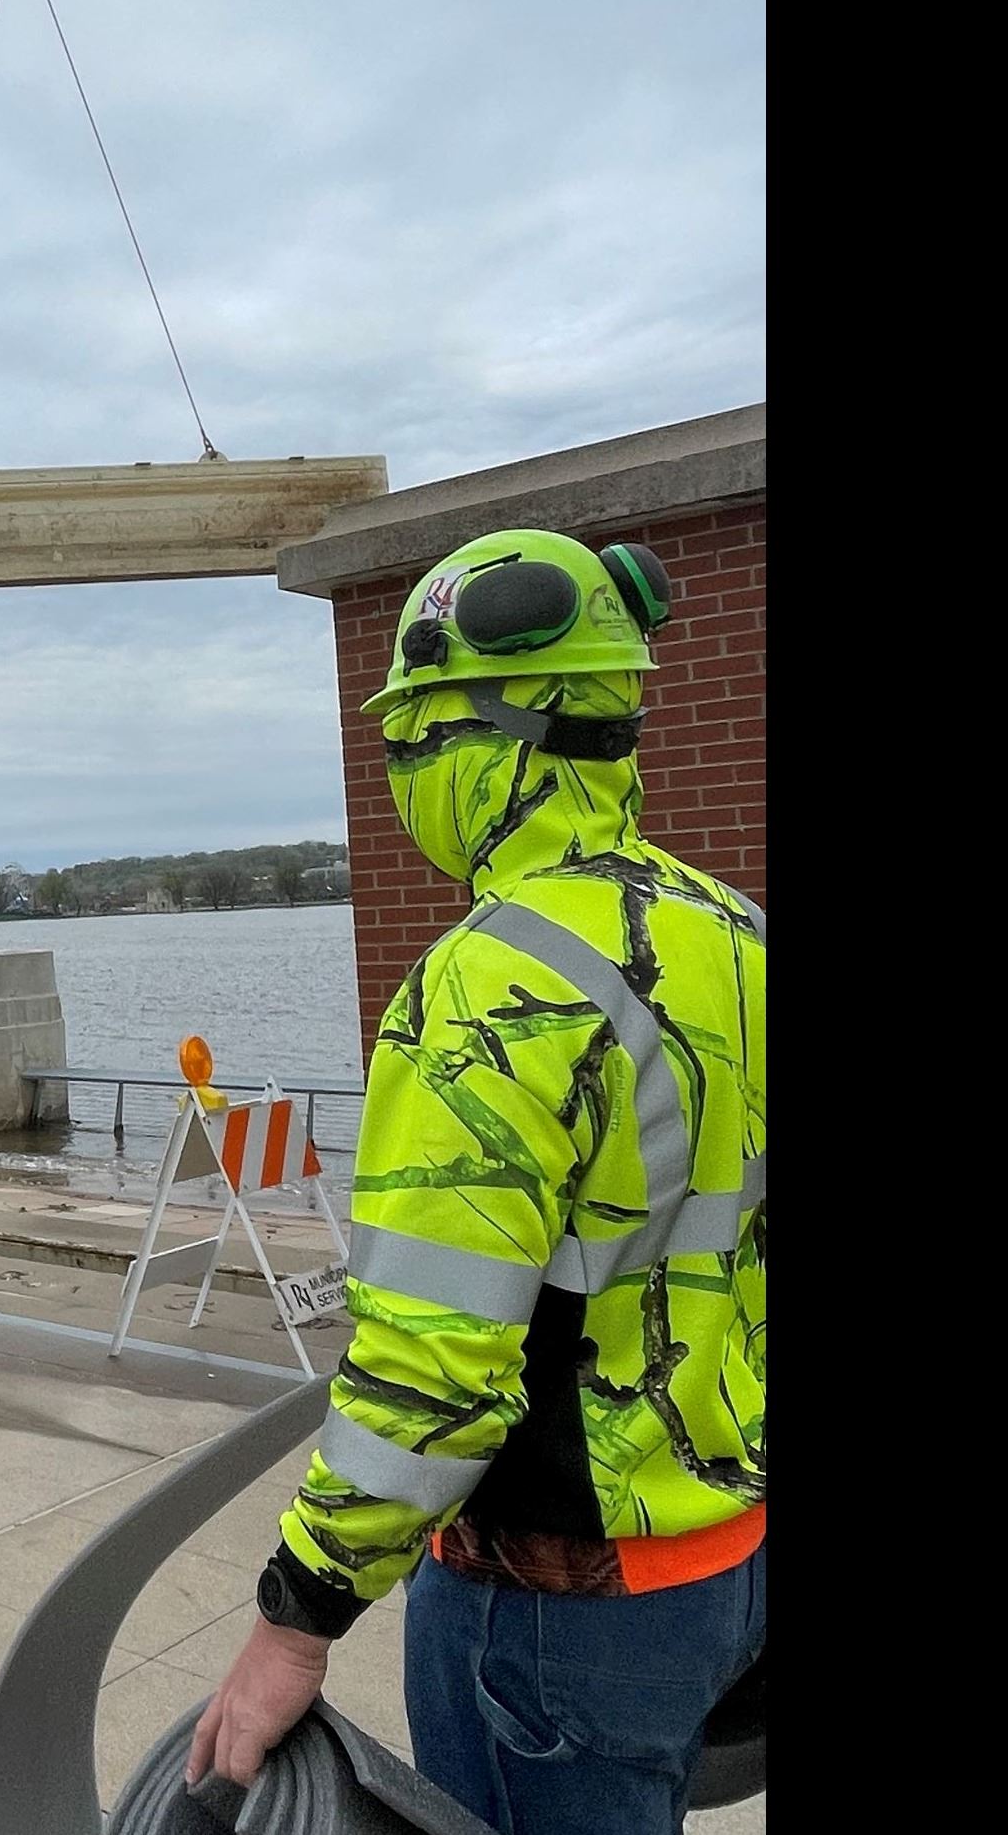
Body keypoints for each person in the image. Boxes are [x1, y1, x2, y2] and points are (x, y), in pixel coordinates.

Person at [187, 529, 765, 1834]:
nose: (399, 776)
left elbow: (436, 1367)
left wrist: (298, 1614)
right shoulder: (735, 934)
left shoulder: (484, 986)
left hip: (550, 1607)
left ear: (499, 739)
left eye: (414, 741)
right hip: (727, 1559)